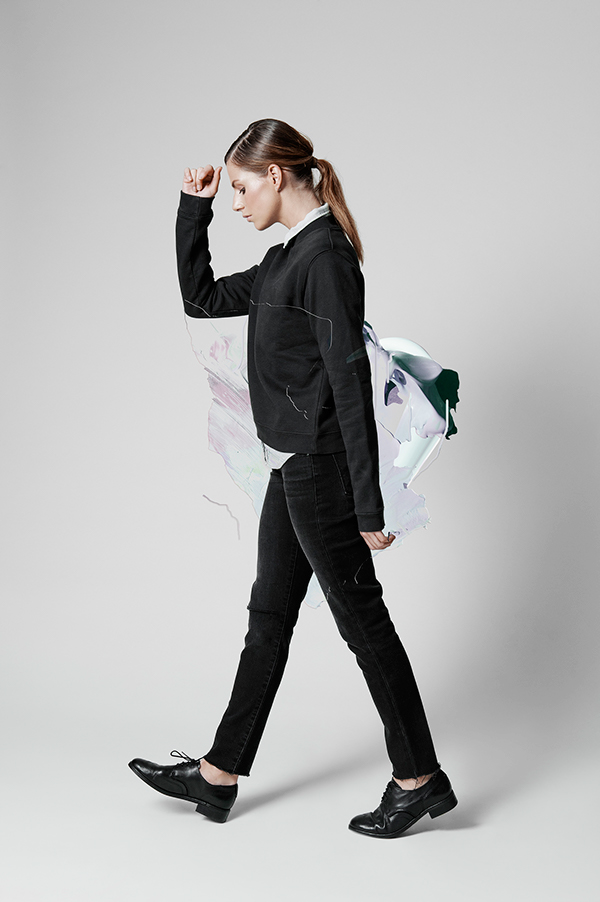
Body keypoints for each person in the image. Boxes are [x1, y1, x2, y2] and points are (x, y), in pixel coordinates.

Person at [129, 119, 457, 838]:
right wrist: (194, 210)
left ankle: (419, 778)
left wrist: (369, 505)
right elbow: (201, 299)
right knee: (269, 621)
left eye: (241, 187)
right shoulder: (284, 258)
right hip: (293, 466)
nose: (237, 201)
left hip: (323, 471)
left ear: (276, 176)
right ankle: (218, 774)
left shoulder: (326, 259)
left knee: (362, 623)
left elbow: (349, 383)